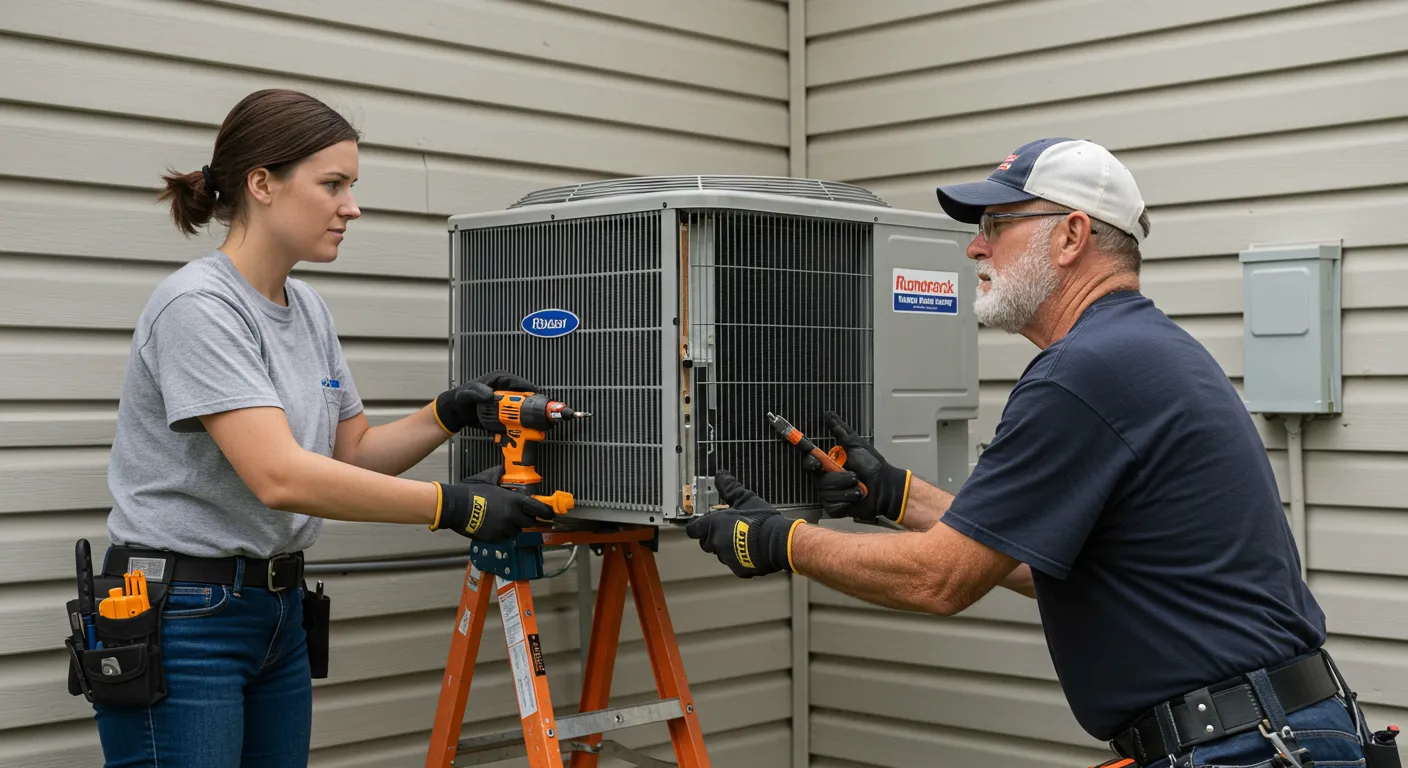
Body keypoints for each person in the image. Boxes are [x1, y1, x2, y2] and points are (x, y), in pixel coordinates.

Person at [687, 138, 1392, 768]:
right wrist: (894, 495)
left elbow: (941, 581)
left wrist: (778, 540)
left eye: (996, 226)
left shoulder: (1083, 373)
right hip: (1274, 731)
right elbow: (1037, 562)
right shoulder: (1141, 351)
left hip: (1240, 747)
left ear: (1071, 236)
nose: (974, 248)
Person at [83, 88, 554, 767]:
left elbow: (350, 454)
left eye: (352, 185)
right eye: (333, 184)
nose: (351, 206)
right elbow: (280, 477)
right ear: (263, 183)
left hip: (276, 612)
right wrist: (456, 506)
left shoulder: (305, 307)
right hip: (184, 616)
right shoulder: (198, 307)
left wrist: (446, 413)